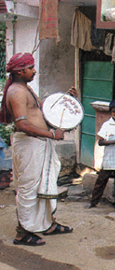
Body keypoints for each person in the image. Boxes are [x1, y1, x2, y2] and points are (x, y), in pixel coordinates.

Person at [0, 52, 77, 246]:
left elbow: (43, 113)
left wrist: (66, 100)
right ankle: (22, 233)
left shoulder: (25, 88)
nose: (34, 71)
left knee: (42, 186)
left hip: (39, 144)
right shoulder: (16, 92)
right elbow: (23, 125)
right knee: (28, 188)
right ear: (19, 71)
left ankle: (47, 224)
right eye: (30, 68)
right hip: (29, 145)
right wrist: (52, 135)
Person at [87, 100, 115, 212]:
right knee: (101, 181)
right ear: (111, 112)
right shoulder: (107, 125)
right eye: (114, 111)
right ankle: (93, 201)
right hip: (109, 157)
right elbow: (101, 142)